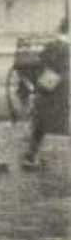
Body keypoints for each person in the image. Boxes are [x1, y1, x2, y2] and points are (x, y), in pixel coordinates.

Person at [24, 18, 69, 168]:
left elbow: (40, 66)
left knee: (41, 124)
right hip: (63, 89)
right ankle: (30, 156)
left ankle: (30, 156)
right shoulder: (66, 48)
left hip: (48, 87)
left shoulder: (51, 46)